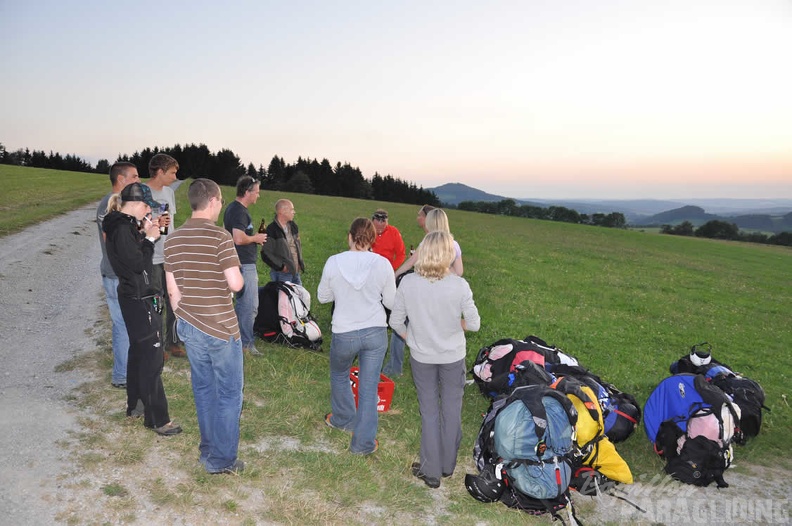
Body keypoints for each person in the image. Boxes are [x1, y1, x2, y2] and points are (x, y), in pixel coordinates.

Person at [164, 178, 245, 474]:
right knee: (229, 393)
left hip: (189, 325)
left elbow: (173, 290)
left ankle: (208, 450)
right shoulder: (220, 237)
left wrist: (183, 316)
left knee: (204, 389)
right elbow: (236, 284)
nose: (221, 206)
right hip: (221, 328)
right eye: (221, 201)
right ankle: (222, 460)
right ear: (212, 201)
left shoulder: (172, 239)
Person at [389, 231, 480, 488]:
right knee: (451, 409)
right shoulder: (459, 285)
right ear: (448, 254)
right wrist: (454, 324)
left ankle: (430, 470)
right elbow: (473, 324)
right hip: (453, 356)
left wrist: (412, 338)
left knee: (429, 410)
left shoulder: (408, 283)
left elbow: (395, 322)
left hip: (422, 356)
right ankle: (447, 466)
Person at [103, 182, 182, 436]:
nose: (149, 212)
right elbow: (137, 263)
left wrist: (145, 232)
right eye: (148, 207)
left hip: (134, 296)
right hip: (138, 297)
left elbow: (132, 257)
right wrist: (149, 238)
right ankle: (158, 419)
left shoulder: (121, 225)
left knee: (139, 352)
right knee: (152, 358)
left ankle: (135, 405)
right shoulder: (123, 228)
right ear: (140, 204)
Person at [317, 218, 396, 455]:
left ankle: (343, 419)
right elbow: (391, 302)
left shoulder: (334, 262)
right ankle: (363, 444)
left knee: (340, 374)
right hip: (375, 331)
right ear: (372, 239)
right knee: (369, 388)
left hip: (344, 331)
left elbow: (323, 297)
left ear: (350, 236)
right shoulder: (382, 264)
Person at [385, 207, 463, 377]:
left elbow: (410, 263)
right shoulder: (454, 244)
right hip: (444, 296)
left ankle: (394, 368)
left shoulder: (427, 243)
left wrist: (394, 275)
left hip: (421, 292)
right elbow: (459, 272)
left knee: (402, 322)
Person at [97, 162, 139, 389]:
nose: (138, 180)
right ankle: (121, 375)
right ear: (121, 179)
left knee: (122, 324)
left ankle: (124, 370)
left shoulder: (113, 202)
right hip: (115, 274)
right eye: (134, 176)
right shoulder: (111, 203)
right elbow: (117, 240)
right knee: (122, 325)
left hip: (114, 272)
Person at [146, 153, 186, 359]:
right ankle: (156, 345)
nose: (175, 176)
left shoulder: (169, 192)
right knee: (155, 301)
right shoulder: (142, 192)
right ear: (160, 172)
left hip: (169, 255)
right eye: (172, 172)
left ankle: (174, 342)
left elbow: (172, 224)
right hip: (151, 257)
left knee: (174, 300)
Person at [223, 175, 267, 356]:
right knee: (249, 306)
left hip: (238, 262)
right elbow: (238, 238)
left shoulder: (235, 209)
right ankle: (246, 345)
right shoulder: (238, 211)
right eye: (256, 192)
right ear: (247, 192)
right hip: (243, 264)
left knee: (242, 305)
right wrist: (256, 238)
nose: (258, 195)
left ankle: (236, 341)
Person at [261, 199, 304, 285]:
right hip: (282, 274)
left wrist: (299, 262)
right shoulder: (272, 230)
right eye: (291, 209)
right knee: (282, 298)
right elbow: (265, 253)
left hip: (295, 272)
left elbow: (297, 247)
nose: (294, 212)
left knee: (299, 296)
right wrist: (281, 267)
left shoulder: (293, 226)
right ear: (282, 211)